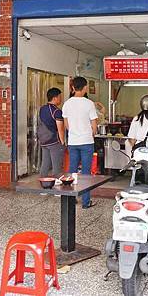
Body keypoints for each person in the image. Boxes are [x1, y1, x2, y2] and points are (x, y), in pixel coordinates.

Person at [62, 77, 98, 209]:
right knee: (86, 172)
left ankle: (71, 200)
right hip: (87, 141)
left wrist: (74, 133)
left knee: (72, 170)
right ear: (84, 88)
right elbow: (94, 125)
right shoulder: (89, 103)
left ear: (72, 88)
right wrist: (91, 133)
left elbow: (66, 125)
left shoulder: (67, 104)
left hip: (73, 142)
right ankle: (86, 201)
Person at [39, 88, 65, 177]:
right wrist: (62, 142)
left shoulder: (42, 109)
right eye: (59, 97)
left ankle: (43, 184)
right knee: (57, 167)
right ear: (55, 98)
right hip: (54, 141)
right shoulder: (57, 111)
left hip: (44, 140)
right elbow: (60, 128)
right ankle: (57, 188)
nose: (61, 99)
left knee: (45, 164)